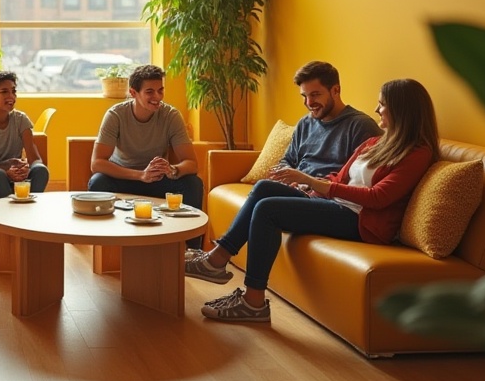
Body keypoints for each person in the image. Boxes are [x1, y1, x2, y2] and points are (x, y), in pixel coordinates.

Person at [187, 78, 439, 323]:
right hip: (338, 206)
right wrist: (308, 188)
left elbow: (379, 197)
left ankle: (253, 302)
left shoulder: (417, 152)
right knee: (265, 187)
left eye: (382, 104)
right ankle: (218, 259)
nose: (377, 109)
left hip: (360, 221)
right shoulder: (375, 143)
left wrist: (319, 185)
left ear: (401, 109)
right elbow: (341, 177)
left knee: (267, 210)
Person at [85, 64, 204, 249]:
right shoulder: (116, 115)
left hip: (157, 180)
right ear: (133, 92)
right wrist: (140, 175)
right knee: (98, 182)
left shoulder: (171, 116)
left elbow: (192, 163)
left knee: (193, 183)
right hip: (123, 178)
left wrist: (173, 170)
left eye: (160, 90)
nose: (157, 97)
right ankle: (105, 245)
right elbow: (97, 163)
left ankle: (192, 251)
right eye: (150, 92)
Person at [278, 60, 384, 180]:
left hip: (326, 194)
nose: (308, 103)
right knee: (264, 186)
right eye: (305, 96)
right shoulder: (305, 124)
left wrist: (311, 184)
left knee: (264, 191)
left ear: (335, 90)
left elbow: (361, 178)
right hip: (296, 190)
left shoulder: (360, 126)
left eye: (315, 94)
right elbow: (287, 161)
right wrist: (289, 179)